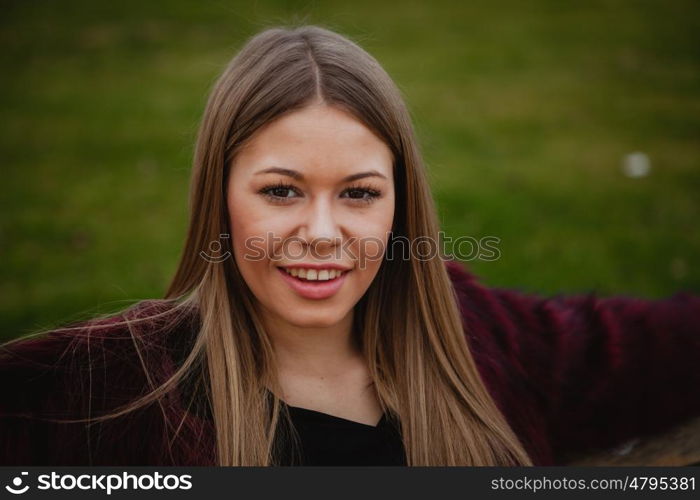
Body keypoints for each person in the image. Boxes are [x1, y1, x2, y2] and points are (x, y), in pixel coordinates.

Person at [1, 25, 699, 467]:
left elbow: (659, 351)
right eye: (281, 191)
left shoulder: (474, 339)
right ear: (218, 197)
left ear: (402, 205)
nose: (323, 233)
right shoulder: (105, 386)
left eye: (359, 193)